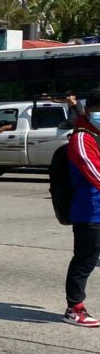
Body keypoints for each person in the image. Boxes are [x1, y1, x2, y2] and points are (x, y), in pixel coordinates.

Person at [63, 90, 100, 326]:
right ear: (88, 111)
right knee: (85, 260)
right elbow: (94, 172)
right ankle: (74, 308)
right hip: (90, 210)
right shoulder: (81, 138)